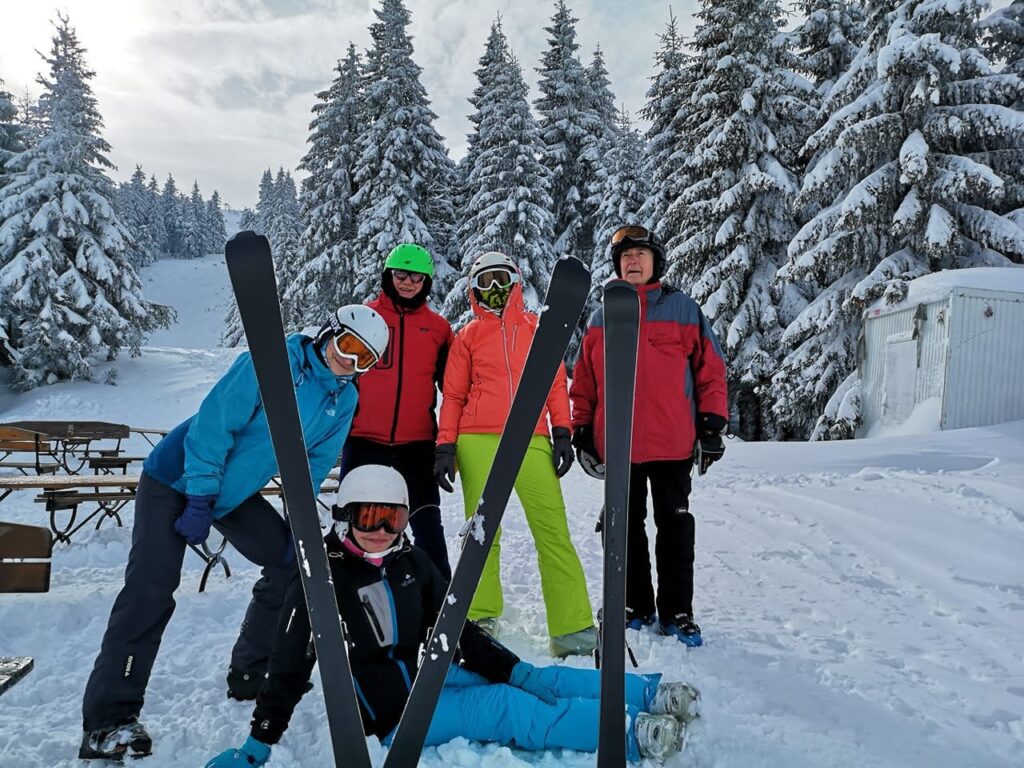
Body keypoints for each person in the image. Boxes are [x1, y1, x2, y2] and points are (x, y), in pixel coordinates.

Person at [205, 465, 699, 767]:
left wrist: (513, 667)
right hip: (395, 715)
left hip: (429, 675)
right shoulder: (320, 579)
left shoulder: (409, 562)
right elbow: (289, 669)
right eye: (367, 518)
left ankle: (649, 693)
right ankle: (632, 734)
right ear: (344, 516)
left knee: (532, 681)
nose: (380, 531)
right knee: (509, 709)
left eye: (392, 519)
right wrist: (258, 745)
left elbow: (454, 630)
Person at [78, 305, 389, 761]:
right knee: (150, 592)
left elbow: (310, 468)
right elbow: (212, 425)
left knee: (291, 566)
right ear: (329, 333)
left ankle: (252, 669)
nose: (350, 361)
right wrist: (199, 497)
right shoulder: (273, 362)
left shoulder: (343, 400)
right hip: (177, 477)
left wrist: (307, 526)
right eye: (347, 346)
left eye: (364, 359)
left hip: (232, 493)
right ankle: (108, 721)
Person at [570, 226, 728, 647]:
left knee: (674, 527)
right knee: (623, 528)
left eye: (641, 253)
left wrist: (711, 424)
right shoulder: (603, 315)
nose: (633, 261)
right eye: (625, 256)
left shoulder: (683, 309)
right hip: (618, 446)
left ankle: (677, 611)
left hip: (671, 444)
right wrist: (582, 428)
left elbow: (710, 369)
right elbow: (584, 379)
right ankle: (633, 605)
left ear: (656, 260)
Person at [434, 251, 596, 657]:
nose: (493, 289)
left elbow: (556, 384)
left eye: (499, 279)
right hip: (478, 439)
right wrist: (446, 444)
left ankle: (572, 627)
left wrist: (562, 430)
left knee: (553, 531)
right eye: (483, 282)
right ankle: (480, 614)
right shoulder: (466, 337)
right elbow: (452, 396)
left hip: (531, 438)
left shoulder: (537, 329)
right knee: (483, 531)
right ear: (473, 291)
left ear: (515, 282)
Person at [334, 243, 454, 580]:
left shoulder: (438, 329)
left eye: (417, 277)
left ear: (427, 283)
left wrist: (452, 442)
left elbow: (455, 390)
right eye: (400, 274)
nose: (408, 282)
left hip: (417, 444)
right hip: (363, 441)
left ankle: (442, 605)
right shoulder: (366, 318)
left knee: (427, 525)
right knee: (353, 524)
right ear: (388, 275)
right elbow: (337, 374)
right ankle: (348, 595)